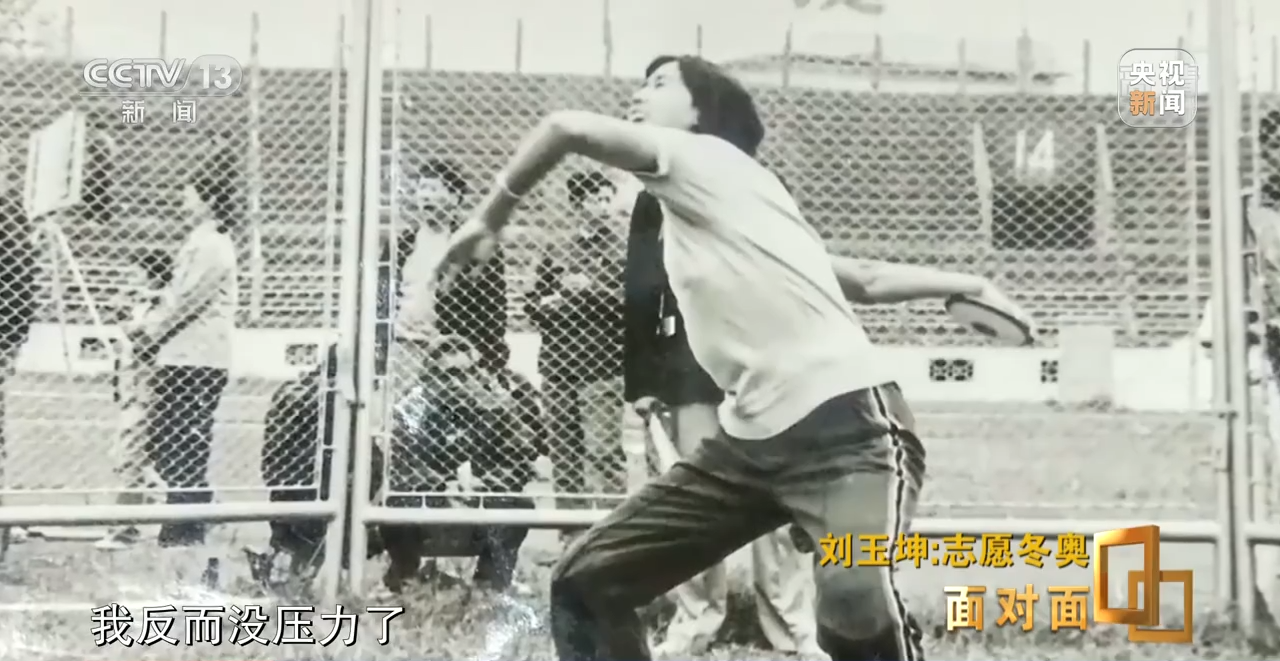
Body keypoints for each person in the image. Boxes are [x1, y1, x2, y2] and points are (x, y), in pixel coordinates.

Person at [436, 54, 1032, 661]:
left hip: (850, 432)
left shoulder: (703, 156)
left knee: (855, 604)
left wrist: (489, 220)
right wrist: (968, 283)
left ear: (701, 115)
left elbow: (566, 127)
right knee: (588, 580)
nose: (638, 95)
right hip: (747, 449)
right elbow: (862, 278)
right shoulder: (725, 202)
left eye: (659, 84)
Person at [625, 179, 823, 657]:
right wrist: (642, 379)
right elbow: (641, 286)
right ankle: (695, 621)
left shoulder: (763, 185)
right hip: (688, 370)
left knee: (774, 500)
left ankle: (794, 627)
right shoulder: (656, 194)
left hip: (763, 368)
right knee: (693, 501)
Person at [129, 134, 239, 547]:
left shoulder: (211, 245)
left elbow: (185, 300)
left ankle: (185, 525)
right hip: (182, 356)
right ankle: (198, 511)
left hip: (198, 359)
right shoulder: (199, 241)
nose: (183, 201)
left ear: (207, 200)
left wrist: (148, 330)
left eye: (189, 194)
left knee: (183, 442)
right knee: (167, 440)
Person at [378, 334, 541, 593]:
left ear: (476, 374)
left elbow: (519, 460)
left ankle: (488, 589)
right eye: (447, 375)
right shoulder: (410, 410)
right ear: (429, 377)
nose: (455, 384)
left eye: (464, 374)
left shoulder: (499, 406)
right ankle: (406, 580)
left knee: (520, 507)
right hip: (428, 506)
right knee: (394, 504)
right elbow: (399, 464)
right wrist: (444, 486)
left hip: (480, 503)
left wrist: (486, 484)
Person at [528, 170, 627, 515]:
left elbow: (632, 302)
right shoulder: (557, 248)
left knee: (603, 454)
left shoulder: (624, 247)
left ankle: (613, 528)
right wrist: (551, 302)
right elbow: (532, 303)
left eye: (607, 199)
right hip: (558, 364)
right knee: (564, 455)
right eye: (595, 199)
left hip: (602, 365)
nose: (603, 207)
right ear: (577, 204)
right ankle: (571, 532)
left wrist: (590, 291)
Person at [95, 248, 175, 550]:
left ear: (151, 274)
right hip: (131, 390)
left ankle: (124, 528)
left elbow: (146, 342)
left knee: (130, 458)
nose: (129, 279)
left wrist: (123, 321)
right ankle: (172, 503)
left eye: (135, 272)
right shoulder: (142, 303)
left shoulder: (162, 304)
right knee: (129, 458)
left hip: (147, 391)